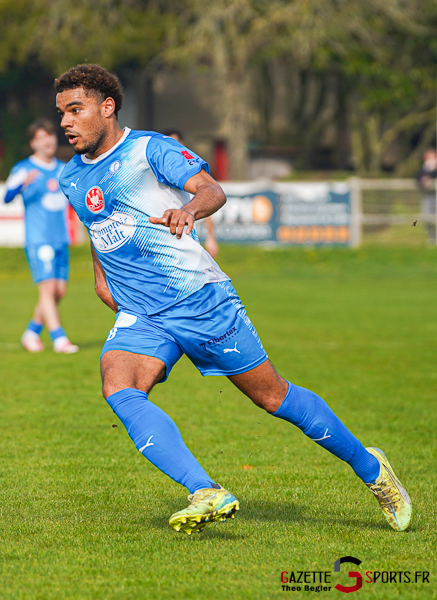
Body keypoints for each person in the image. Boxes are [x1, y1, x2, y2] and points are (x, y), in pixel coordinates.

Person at [54, 64, 411, 534]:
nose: (65, 122)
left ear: (107, 107)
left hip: (200, 299)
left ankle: (373, 470)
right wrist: (99, 278)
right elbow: (95, 228)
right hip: (143, 311)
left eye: (75, 110)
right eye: (61, 112)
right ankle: (205, 490)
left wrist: (188, 209)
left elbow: (212, 189)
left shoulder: (150, 149)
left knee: (273, 397)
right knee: (118, 385)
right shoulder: (70, 177)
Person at [4, 119, 78, 353]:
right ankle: (59, 338)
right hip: (39, 238)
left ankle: (31, 333)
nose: (48, 141)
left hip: (60, 238)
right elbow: (6, 196)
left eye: (51, 136)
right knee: (47, 290)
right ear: (33, 143)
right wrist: (22, 185)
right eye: (42, 138)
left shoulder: (62, 169)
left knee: (59, 292)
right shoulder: (23, 169)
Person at [161, 128, 218, 258]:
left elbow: (206, 202)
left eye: (177, 142)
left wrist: (211, 237)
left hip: (189, 238)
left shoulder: (191, 173)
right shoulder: (159, 175)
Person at [415, 147, 437, 244]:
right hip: (428, 196)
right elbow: (417, 176)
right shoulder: (422, 169)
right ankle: (432, 238)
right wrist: (424, 179)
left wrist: (431, 175)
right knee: (427, 217)